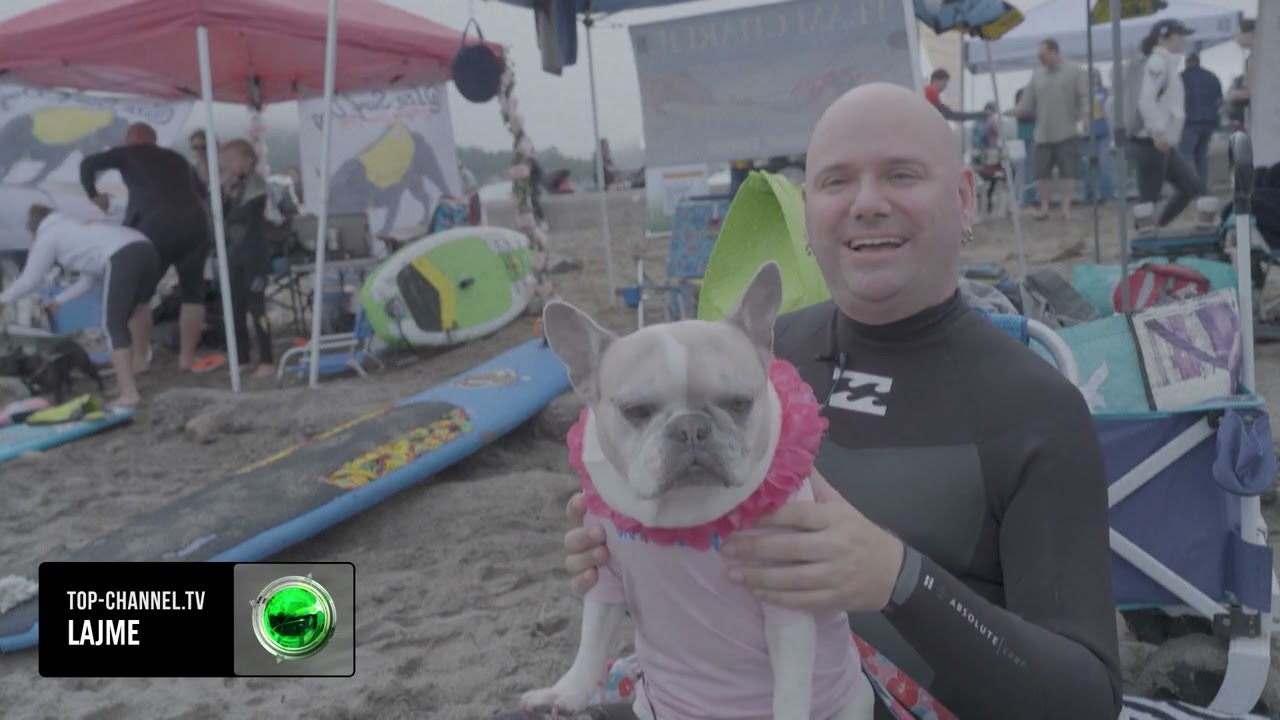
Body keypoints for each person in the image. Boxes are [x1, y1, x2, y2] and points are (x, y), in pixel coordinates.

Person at [544, 83, 1123, 720]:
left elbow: (1086, 700)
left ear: (963, 198)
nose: (866, 203)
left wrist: (901, 580)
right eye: (836, 182)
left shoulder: (1035, 407)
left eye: (901, 174)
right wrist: (627, 543)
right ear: (807, 211)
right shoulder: (755, 359)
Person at [79, 121, 212, 372]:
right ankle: (187, 359)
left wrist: (94, 195)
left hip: (156, 227)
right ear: (154, 140)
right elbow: (203, 192)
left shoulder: (128, 152)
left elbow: (87, 164)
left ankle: (140, 360)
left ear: (129, 140)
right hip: (196, 224)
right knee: (193, 294)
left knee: (139, 297)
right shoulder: (177, 158)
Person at [0, 205, 159, 408]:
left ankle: (129, 393)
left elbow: (29, 280)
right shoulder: (74, 229)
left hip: (122, 255)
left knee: (112, 325)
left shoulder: (48, 236)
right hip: (146, 249)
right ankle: (132, 373)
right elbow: (88, 279)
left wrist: (3, 299)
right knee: (136, 310)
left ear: (33, 229)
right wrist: (59, 301)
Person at [1008, 38, 1090, 220]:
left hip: (1067, 131)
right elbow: (1026, 102)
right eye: (1039, 56)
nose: (1040, 59)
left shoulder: (1075, 71)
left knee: (1067, 172)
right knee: (1042, 173)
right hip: (1042, 134)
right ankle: (1044, 207)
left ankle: (1065, 207)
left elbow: (1085, 97)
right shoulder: (1036, 75)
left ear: (1055, 52)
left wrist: (1086, 116)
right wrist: (1011, 112)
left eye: (1043, 55)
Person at [1130, 19, 1201, 230]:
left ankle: (1156, 227)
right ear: (1163, 37)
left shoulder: (1166, 63)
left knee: (1190, 186)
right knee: (1149, 200)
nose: (1182, 40)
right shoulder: (1157, 63)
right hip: (1152, 140)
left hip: (1161, 141)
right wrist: (1158, 130)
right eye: (1179, 36)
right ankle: (1145, 235)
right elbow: (1146, 99)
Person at [218, 139, 275, 379]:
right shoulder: (232, 185)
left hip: (254, 254)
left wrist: (231, 199)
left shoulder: (257, 184)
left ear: (248, 160)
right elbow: (219, 216)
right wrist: (223, 195)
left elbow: (246, 215)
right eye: (225, 162)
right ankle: (242, 358)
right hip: (234, 254)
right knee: (235, 307)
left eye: (232, 160)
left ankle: (267, 359)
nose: (228, 166)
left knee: (256, 307)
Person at [1179, 52, 1223, 196]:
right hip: (1208, 123)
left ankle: (1187, 189)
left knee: (1185, 157)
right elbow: (1219, 101)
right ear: (1198, 61)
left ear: (1187, 62)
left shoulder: (1182, 78)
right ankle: (1202, 190)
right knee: (1201, 157)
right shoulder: (1212, 77)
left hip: (1190, 122)